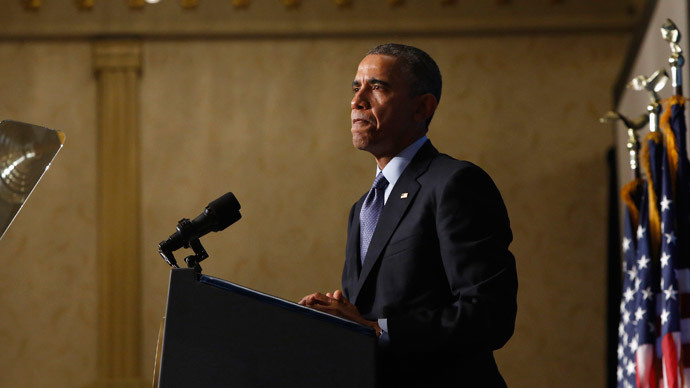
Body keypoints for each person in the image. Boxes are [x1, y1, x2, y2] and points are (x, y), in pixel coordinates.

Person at [299, 43, 517, 387]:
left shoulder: (455, 183)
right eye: (356, 87)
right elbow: (371, 317)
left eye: (378, 87)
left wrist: (376, 330)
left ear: (421, 107)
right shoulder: (362, 208)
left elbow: (489, 316)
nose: (357, 100)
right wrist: (340, 318)